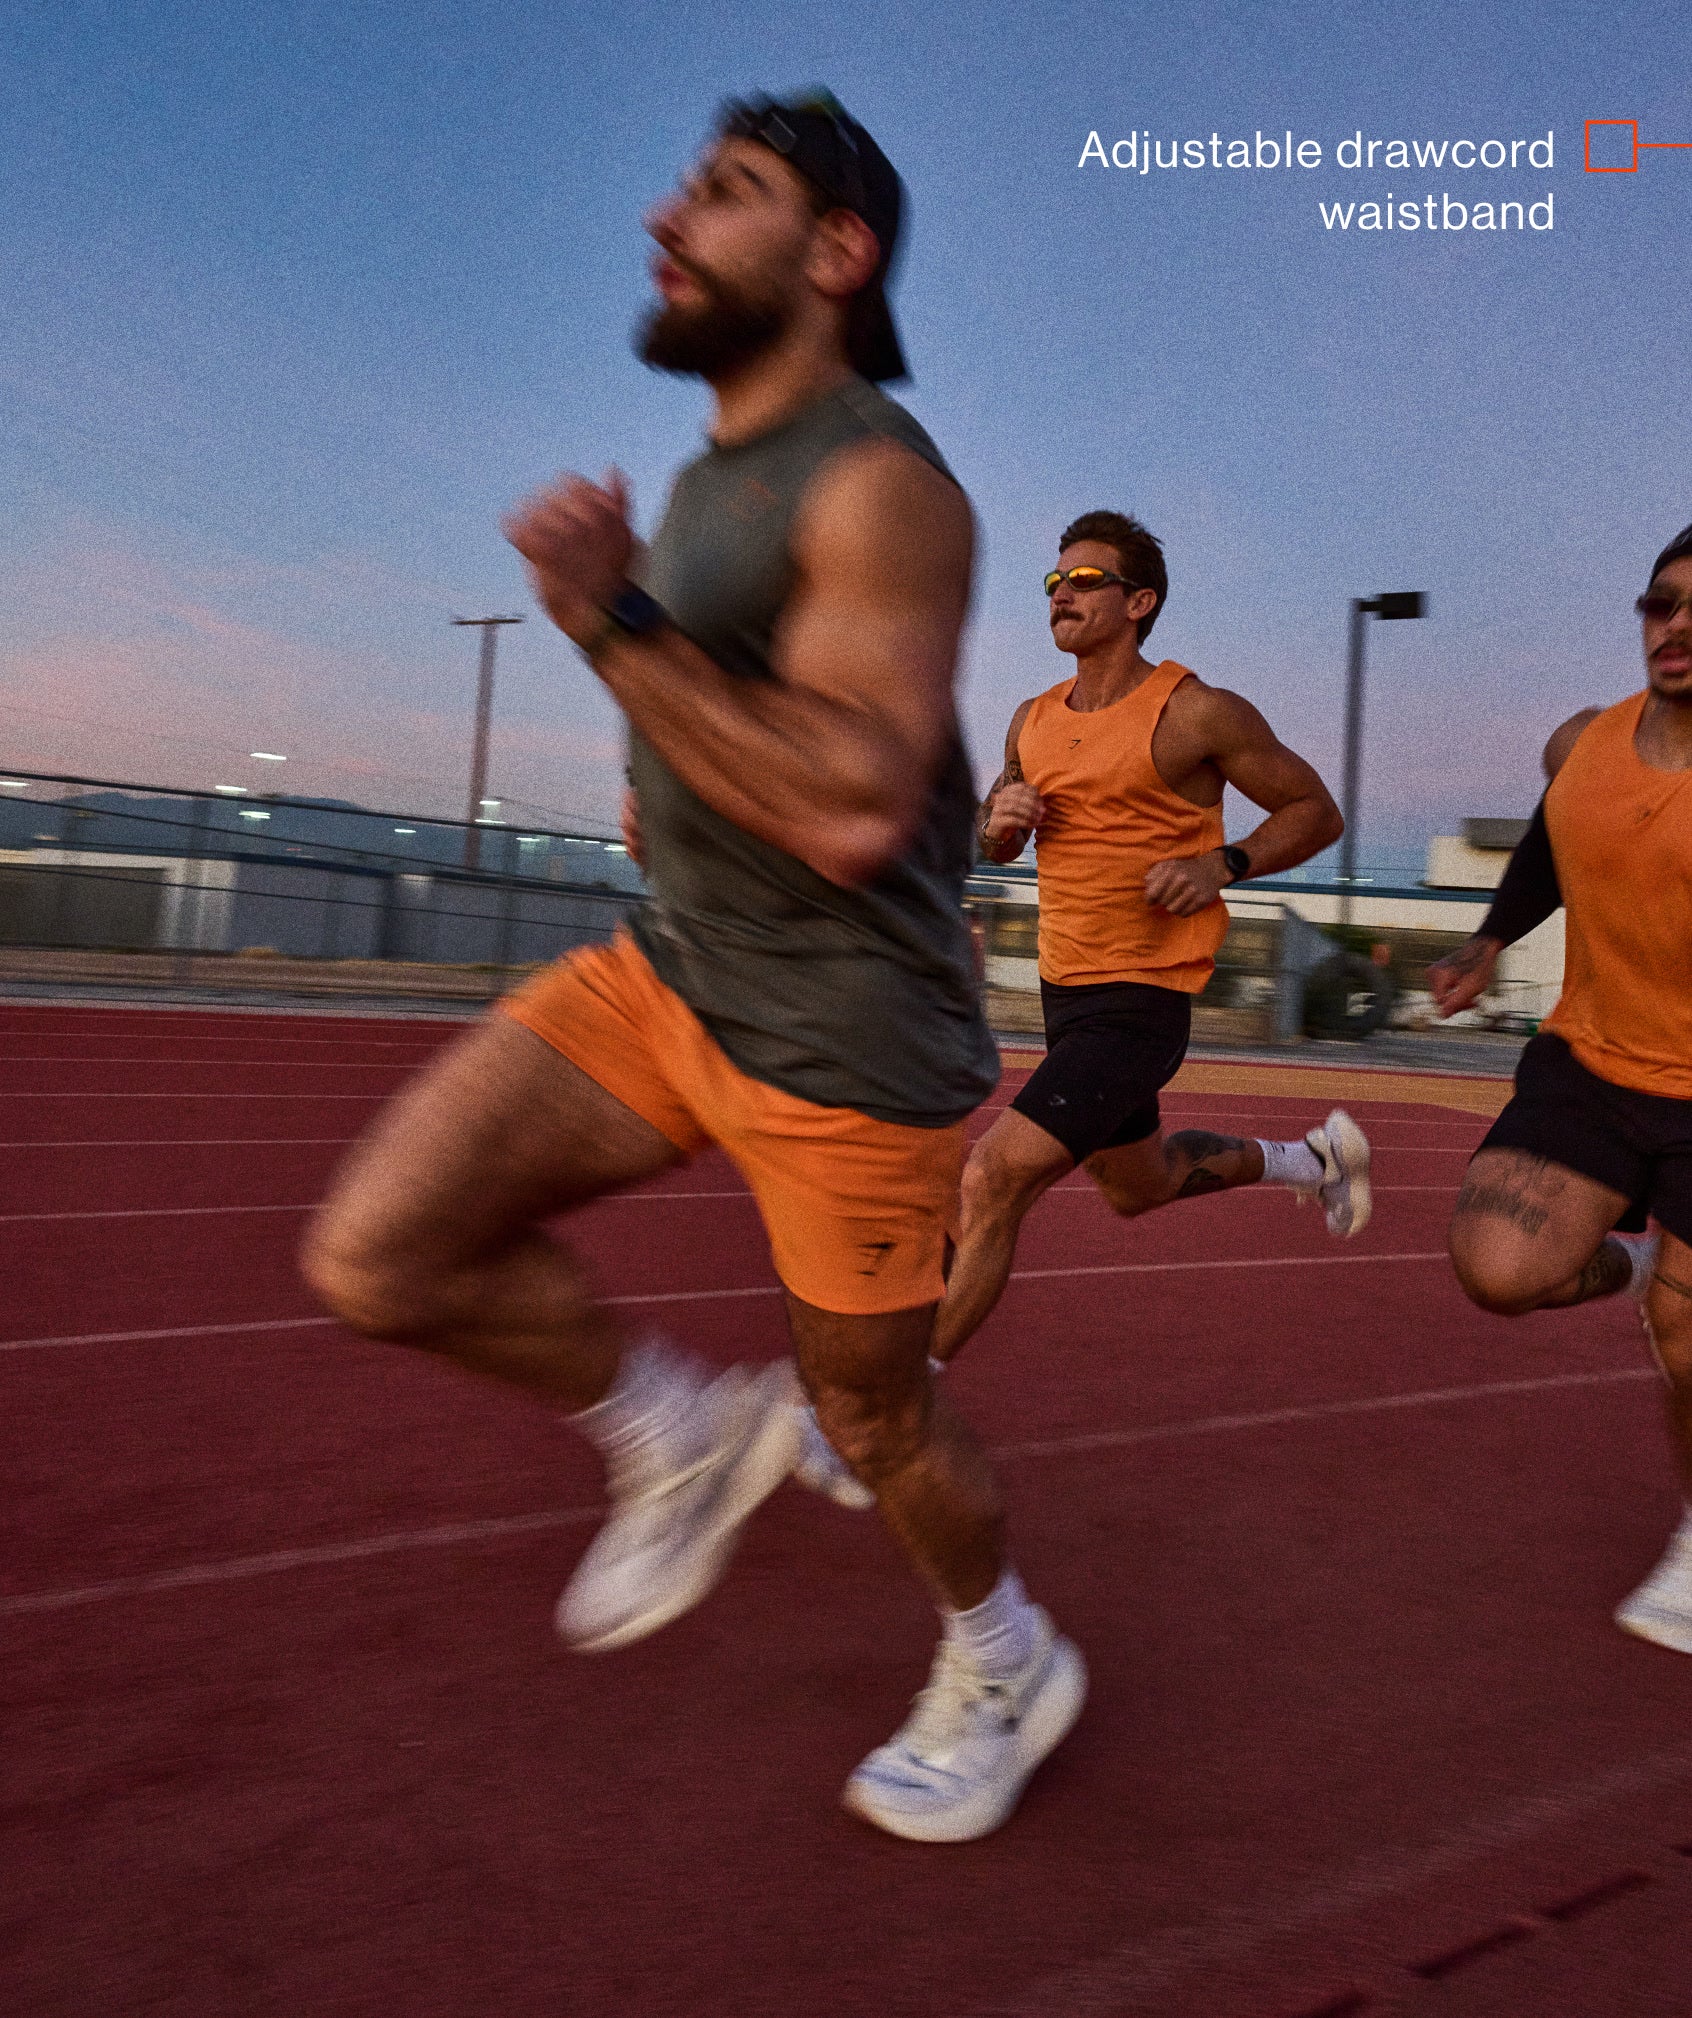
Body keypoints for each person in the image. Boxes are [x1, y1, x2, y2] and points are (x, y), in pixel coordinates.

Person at [302, 89, 1083, 1844]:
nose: (666, 216)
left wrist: (606, 616)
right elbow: (736, 717)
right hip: (670, 974)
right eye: (680, 186)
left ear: (836, 251)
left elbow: (855, 800)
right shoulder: (709, 477)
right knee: (378, 1252)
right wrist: (666, 780)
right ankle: (674, 1427)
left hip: (844, 1042)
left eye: (724, 190)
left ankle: (1005, 1655)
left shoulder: (882, 481)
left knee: (873, 1418)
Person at [928, 512, 1362, 1366]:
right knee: (1140, 1185)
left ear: (1140, 602)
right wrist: (997, 821)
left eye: (1086, 580)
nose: (1062, 594)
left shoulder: (1196, 712)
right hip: (1065, 990)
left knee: (991, 1177)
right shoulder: (1029, 720)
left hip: (1141, 1000)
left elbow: (1316, 811)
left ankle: (888, 1403)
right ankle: (1313, 1161)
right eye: (1055, 581)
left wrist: (1223, 863)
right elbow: (997, 839)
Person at [1429, 522, 1692, 1654]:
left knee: (1684, 1335)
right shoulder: (1584, 743)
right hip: (1591, 1059)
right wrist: (1490, 938)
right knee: (1497, 1270)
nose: (1678, 625)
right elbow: (1552, 839)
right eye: (1662, 602)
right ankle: (1632, 1258)